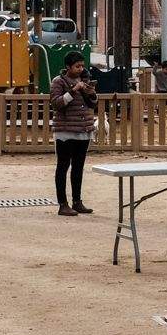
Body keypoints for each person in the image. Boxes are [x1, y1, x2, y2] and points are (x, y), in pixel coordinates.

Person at [48, 52, 99, 217]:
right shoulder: (58, 82)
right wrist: (73, 91)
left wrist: (90, 92)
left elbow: (92, 103)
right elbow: (56, 104)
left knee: (78, 167)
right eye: (77, 66)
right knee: (63, 166)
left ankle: (77, 201)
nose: (80, 69)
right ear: (68, 67)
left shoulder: (83, 80)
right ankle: (63, 203)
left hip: (83, 129)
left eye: (82, 66)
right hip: (65, 131)